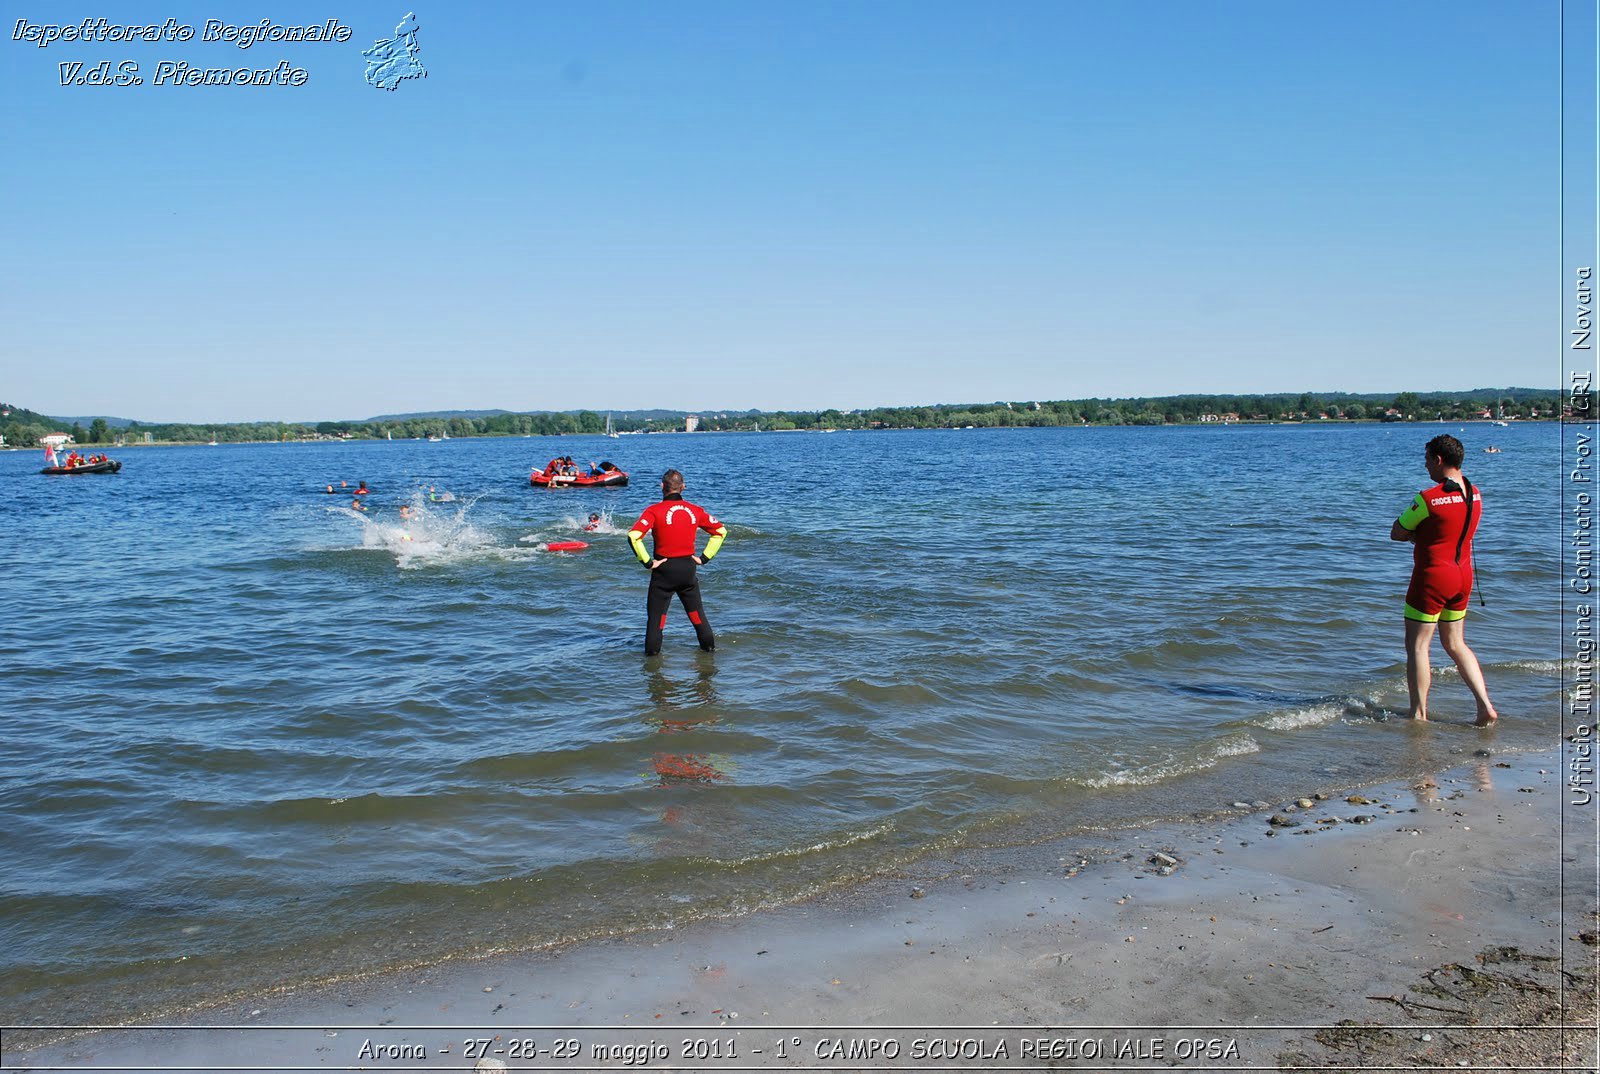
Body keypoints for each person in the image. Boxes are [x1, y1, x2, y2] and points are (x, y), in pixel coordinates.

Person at [1390, 434, 1498, 725]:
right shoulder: (1475, 493)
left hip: (1432, 578)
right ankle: (1484, 705)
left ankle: (1418, 713)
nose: (1425, 466)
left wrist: (1416, 535)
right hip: (1463, 577)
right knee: (1456, 644)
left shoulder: (1427, 499)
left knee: (1418, 646)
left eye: (1427, 460)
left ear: (1438, 460)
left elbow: (1396, 532)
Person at [628, 469, 727, 655]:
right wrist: (704, 558)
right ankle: (710, 659)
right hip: (688, 570)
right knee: (698, 617)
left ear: (662, 487)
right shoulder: (695, 510)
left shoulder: (653, 511)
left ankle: (652, 673)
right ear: (683, 487)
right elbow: (720, 532)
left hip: (664, 571)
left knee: (656, 621)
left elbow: (634, 536)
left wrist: (648, 562)